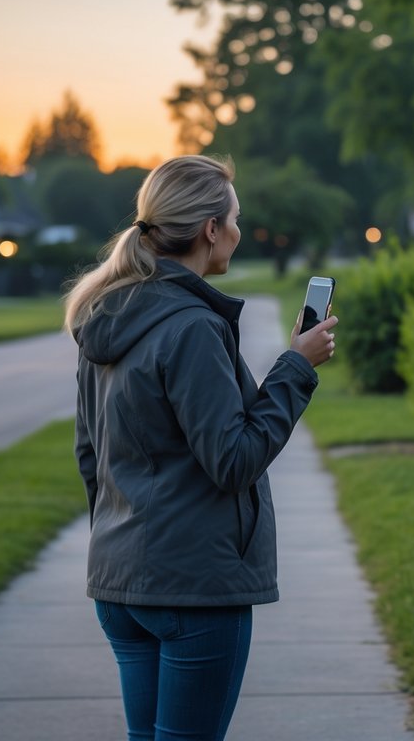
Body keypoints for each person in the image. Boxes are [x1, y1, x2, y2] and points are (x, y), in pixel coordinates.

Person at [63, 154, 338, 740]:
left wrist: (120, 543)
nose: (240, 231)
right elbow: (234, 459)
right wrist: (295, 368)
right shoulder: (191, 327)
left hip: (122, 583)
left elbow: (91, 454)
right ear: (211, 228)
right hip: (193, 590)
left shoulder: (107, 315)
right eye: (236, 218)